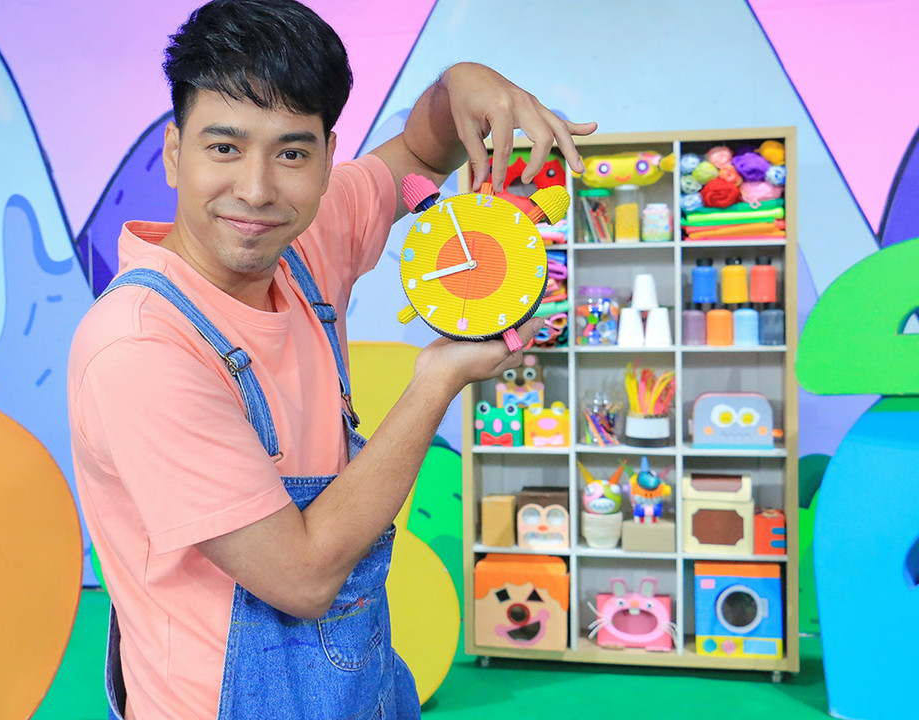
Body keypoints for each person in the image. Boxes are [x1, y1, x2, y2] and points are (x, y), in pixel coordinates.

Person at [67, 1, 595, 717]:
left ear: (324, 158)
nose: (256, 190)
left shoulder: (303, 247)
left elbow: (420, 153)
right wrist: (436, 382)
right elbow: (303, 577)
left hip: (363, 688)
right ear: (173, 151)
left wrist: (461, 81)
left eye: (291, 153)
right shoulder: (140, 348)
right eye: (224, 148)